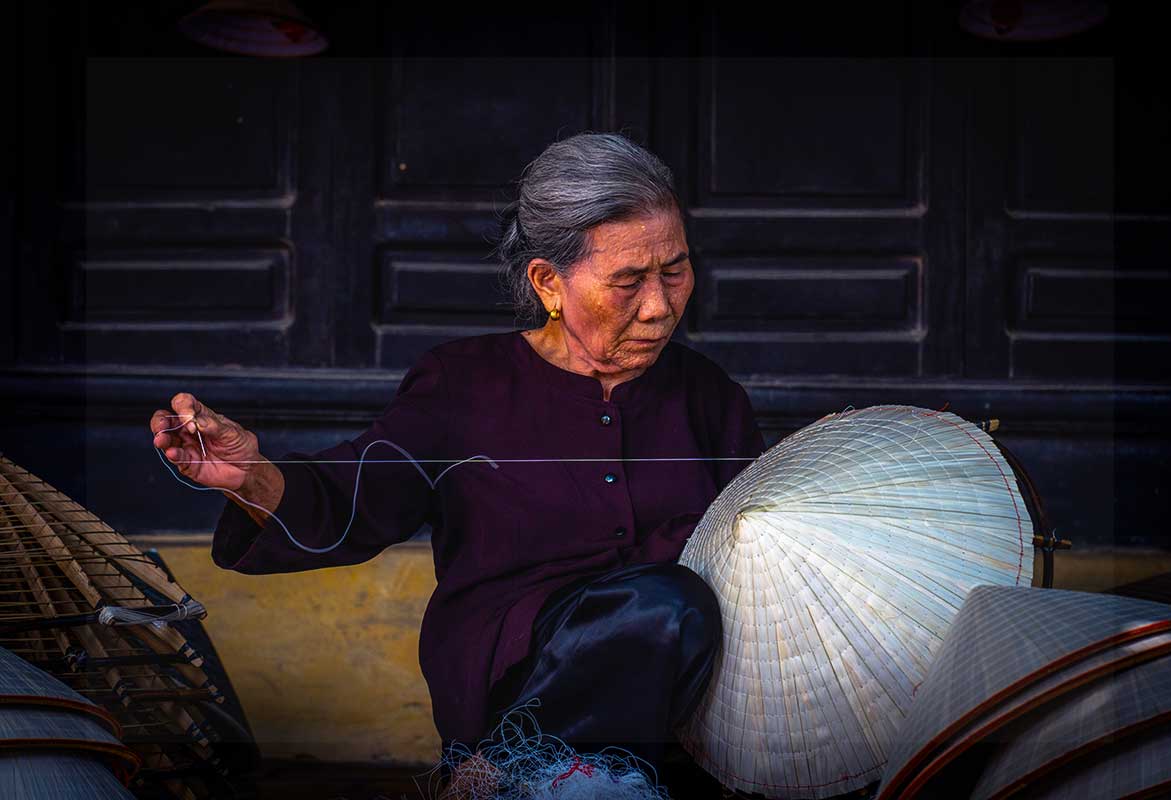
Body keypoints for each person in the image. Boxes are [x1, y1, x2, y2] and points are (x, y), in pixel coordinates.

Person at [149, 132, 765, 795]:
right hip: (515, 680)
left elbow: (759, 554)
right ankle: (492, 774)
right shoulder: (465, 383)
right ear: (548, 284)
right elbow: (363, 493)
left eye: (674, 270)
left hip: (673, 710)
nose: (661, 305)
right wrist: (255, 477)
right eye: (629, 281)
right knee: (664, 602)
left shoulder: (709, 395)